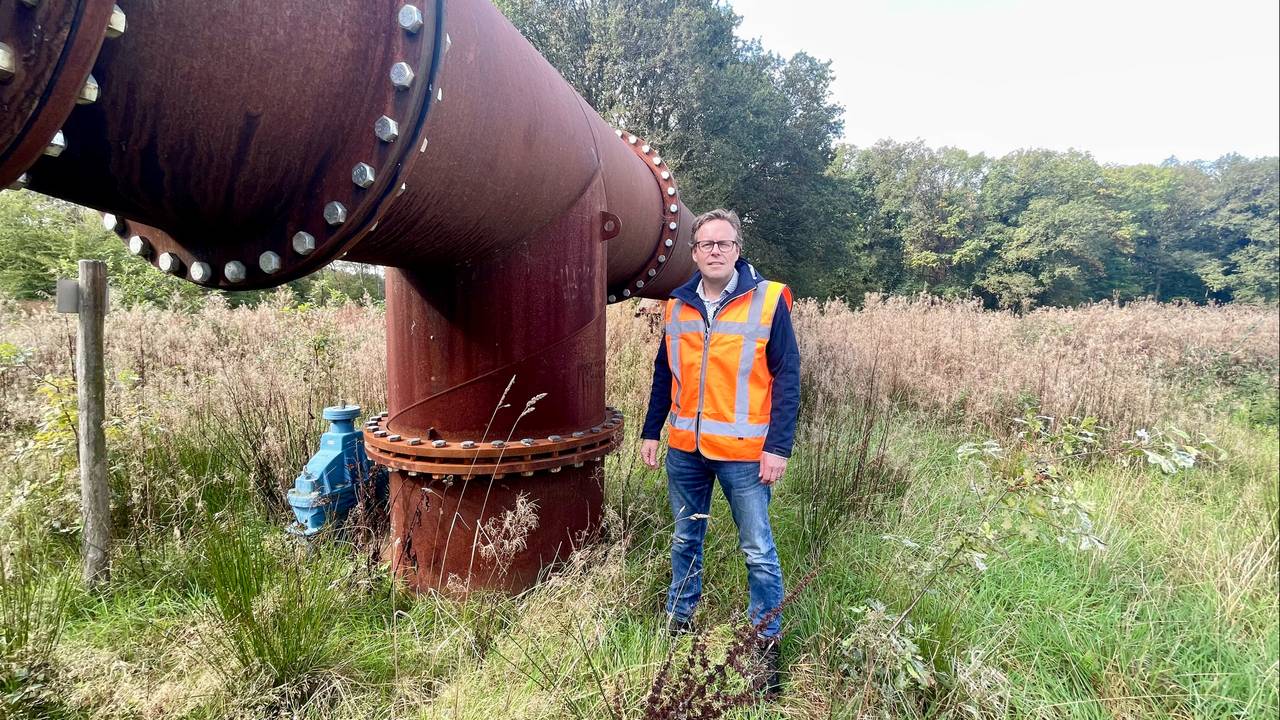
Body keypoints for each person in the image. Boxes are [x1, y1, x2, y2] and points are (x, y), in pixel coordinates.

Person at [640, 208, 800, 695]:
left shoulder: (767, 300)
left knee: (758, 549)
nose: (715, 251)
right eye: (706, 244)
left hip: (745, 454)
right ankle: (680, 623)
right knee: (685, 538)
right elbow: (665, 373)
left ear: (737, 249)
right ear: (694, 252)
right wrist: (651, 430)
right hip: (686, 449)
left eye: (724, 243)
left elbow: (788, 377)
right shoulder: (677, 305)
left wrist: (778, 446)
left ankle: (763, 646)